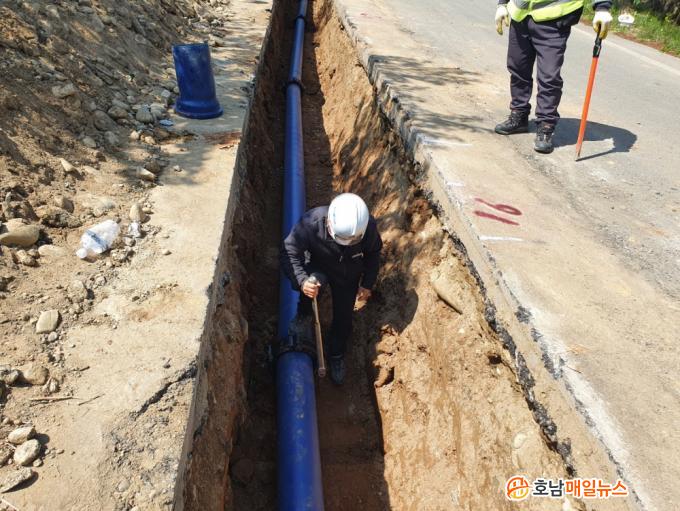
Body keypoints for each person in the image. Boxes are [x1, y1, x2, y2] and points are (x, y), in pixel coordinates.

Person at [280, 193, 383, 385]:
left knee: (344, 318)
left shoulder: (367, 227)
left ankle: (336, 354)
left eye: (352, 241)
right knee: (311, 289)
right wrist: (302, 281)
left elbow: (373, 254)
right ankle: (304, 316)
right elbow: (289, 252)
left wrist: (367, 283)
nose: (347, 243)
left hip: (348, 274)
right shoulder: (311, 223)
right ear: (329, 223)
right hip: (319, 266)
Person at [494, 0, 613, 153]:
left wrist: (602, 7)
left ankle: (546, 125)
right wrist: (502, 4)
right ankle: (519, 114)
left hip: (554, 19)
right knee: (518, 68)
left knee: (548, 77)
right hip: (520, 15)